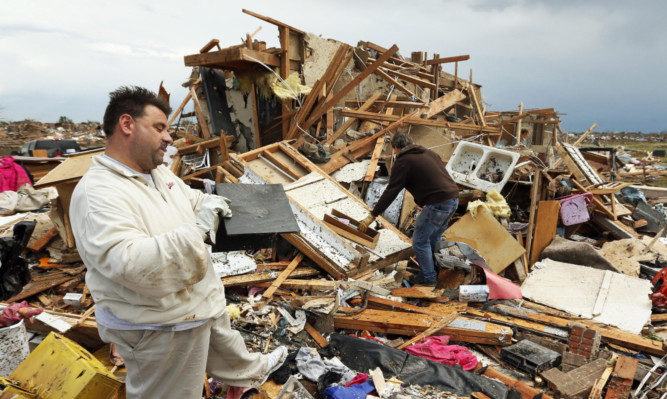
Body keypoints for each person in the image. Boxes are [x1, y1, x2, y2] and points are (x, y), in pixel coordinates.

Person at [70, 86, 286, 399]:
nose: (169, 138)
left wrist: (227, 206)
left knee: (225, 348)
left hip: (193, 305)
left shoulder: (156, 174)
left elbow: (192, 201)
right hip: (159, 326)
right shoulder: (99, 194)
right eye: (159, 128)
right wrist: (197, 230)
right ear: (127, 124)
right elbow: (129, 263)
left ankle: (246, 374)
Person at [359, 133, 459, 287]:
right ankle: (436, 271)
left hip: (437, 203)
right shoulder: (429, 153)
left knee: (420, 241)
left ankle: (428, 279)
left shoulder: (404, 161)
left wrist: (373, 214)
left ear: (396, 148)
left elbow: (391, 191)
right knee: (433, 239)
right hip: (453, 199)